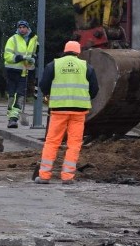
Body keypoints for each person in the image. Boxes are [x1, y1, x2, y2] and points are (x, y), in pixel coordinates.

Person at [35, 40, 99, 184]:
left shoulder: (54, 65)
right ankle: (68, 177)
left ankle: (44, 176)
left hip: (58, 110)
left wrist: (49, 94)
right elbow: (94, 90)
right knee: (74, 144)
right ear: (78, 52)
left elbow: (44, 85)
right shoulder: (86, 67)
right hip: (79, 111)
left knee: (52, 142)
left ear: (65, 51)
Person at [2, 20, 38, 129]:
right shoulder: (13, 39)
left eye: (23, 27)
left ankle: (14, 117)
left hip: (24, 72)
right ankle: (11, 117)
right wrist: (20, 58)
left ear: (28, 28)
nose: (21, 29)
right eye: (20, 27)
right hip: (12, 71)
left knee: (20, 95)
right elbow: (7, 56)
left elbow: (35, 53)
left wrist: (33, 59)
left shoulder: (34, 39)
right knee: (12, 95)